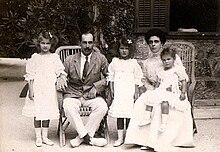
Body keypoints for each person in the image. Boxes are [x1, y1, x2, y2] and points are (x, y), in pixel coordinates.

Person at [124, 29, 195, 151]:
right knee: (140, 102)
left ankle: (156, 141)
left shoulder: (172, 57)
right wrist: (151, 90)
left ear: (161, 43)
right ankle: (140, 139)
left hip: (173, 91)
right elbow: (146, 80)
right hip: (156, 90)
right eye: (150, 42)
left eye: (156, 41)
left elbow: (183, 77)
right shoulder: (147, 62)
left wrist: (180, 91)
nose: (153, 44)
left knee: (158, 106)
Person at [57, 32, 109, 148]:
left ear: (93, 43)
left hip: (91, 95)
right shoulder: (70, 60)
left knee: (102, 107)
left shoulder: (100, 59)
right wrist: (61, 77)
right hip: (73, 93)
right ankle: (88, 138)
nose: (87, 46)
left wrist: (96, 86)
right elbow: (63, 74)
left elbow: (109, 77)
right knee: (68, 107)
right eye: (84, 42)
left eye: (90, 43)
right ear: (79, 43)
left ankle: (81, 137)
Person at [22, 31, 66, 147]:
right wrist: (31, 90)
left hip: (48, 89)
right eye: (43, 43)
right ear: (39, 44)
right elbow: (30, 75)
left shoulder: (54, 58)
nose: (45, 46)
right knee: (37, 111)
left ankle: (45, 136)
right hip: (37, 88)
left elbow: (60, 71)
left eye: (47, 43)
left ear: (51, 44)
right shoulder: (35, 58)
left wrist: (61, 77)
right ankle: (38, 137)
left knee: (46, 112)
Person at [138, 46, 190, 133]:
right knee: (150, 98)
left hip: (172, 92)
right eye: (164, 60)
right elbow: (159, 82)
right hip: (161, 90)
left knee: (164, 103)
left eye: (168, 59)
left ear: (174, 59)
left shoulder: (177, 69)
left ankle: (164, 123)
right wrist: (155, 89)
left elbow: (183, 81)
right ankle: (146, 118)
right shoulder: (160, 70)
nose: (166, 62)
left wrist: (183, 93)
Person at [107, 37, 143, 147]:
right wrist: (112, 88)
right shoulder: (115, 62)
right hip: (119, 91)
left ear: (130, 50)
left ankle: (129, 136)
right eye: (122, 48)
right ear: (118, 49)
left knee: (129, 114)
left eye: (126, 49)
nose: (124, 51)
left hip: (129, 92)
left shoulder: (133, 63)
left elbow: (138, 78)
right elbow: (111, 76)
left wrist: (136, 91)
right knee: (120, 115)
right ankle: (120, 137)